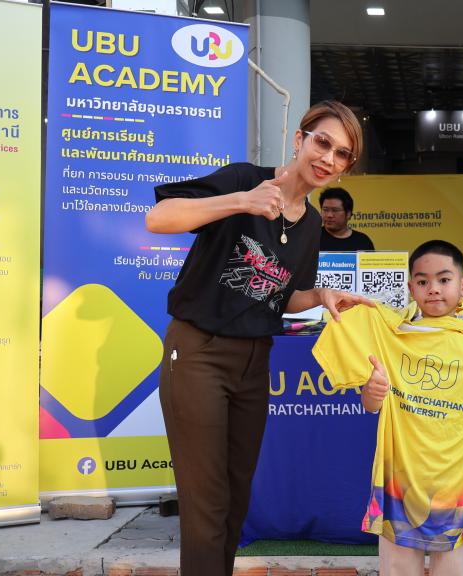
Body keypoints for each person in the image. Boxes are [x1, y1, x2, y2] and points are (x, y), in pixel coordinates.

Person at [145, 101, 372, 576]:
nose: (328, 158)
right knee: (206, 500)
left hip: (254, 361)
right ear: (299, 139)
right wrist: (240, 202)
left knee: (235, 496)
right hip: (199, 352)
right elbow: (159, 217)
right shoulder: (244, 179)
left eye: (342, 154)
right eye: (323, 142)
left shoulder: (312, 224)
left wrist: (319, 295)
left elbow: (282, 296)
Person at [312, 240, 463, 576]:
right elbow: (371, 404)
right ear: (411, 288)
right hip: (398, 486)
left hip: (459, 489)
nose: (433, 289)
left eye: (444, 279)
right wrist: (372, 392)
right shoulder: (390, 333)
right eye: (423, 281)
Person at [320, 186, 375, 251]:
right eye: (325, 210)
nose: (329, 215)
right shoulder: (313, 238)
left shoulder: (363, 241)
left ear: (348, 214)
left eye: (335, 210)